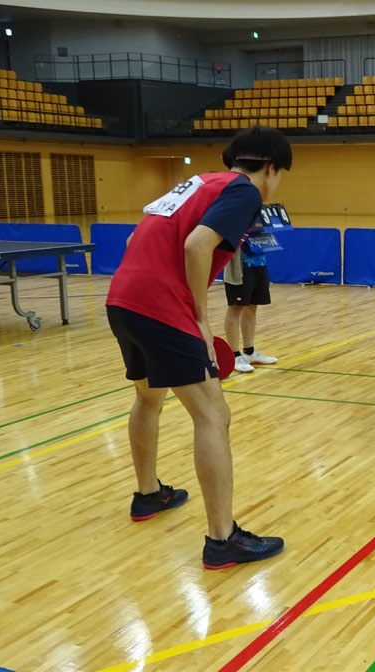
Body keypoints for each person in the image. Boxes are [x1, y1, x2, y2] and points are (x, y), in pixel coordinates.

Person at [106, 125, 293, 568]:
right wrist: (200, 318)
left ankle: (148, 494)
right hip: (162, 308)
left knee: (148, 398)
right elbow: (197, 244)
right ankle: (222, 539)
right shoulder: (244, 191)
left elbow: (134, 239)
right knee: (213, 415)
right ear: (271, 168)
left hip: (122, 299)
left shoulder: (196, 183)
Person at [223, 240, 279, 373]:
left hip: (258, 259)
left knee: (252, 305)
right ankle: (234, 356)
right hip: (239, 263)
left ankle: (249, 352)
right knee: (236, 307)